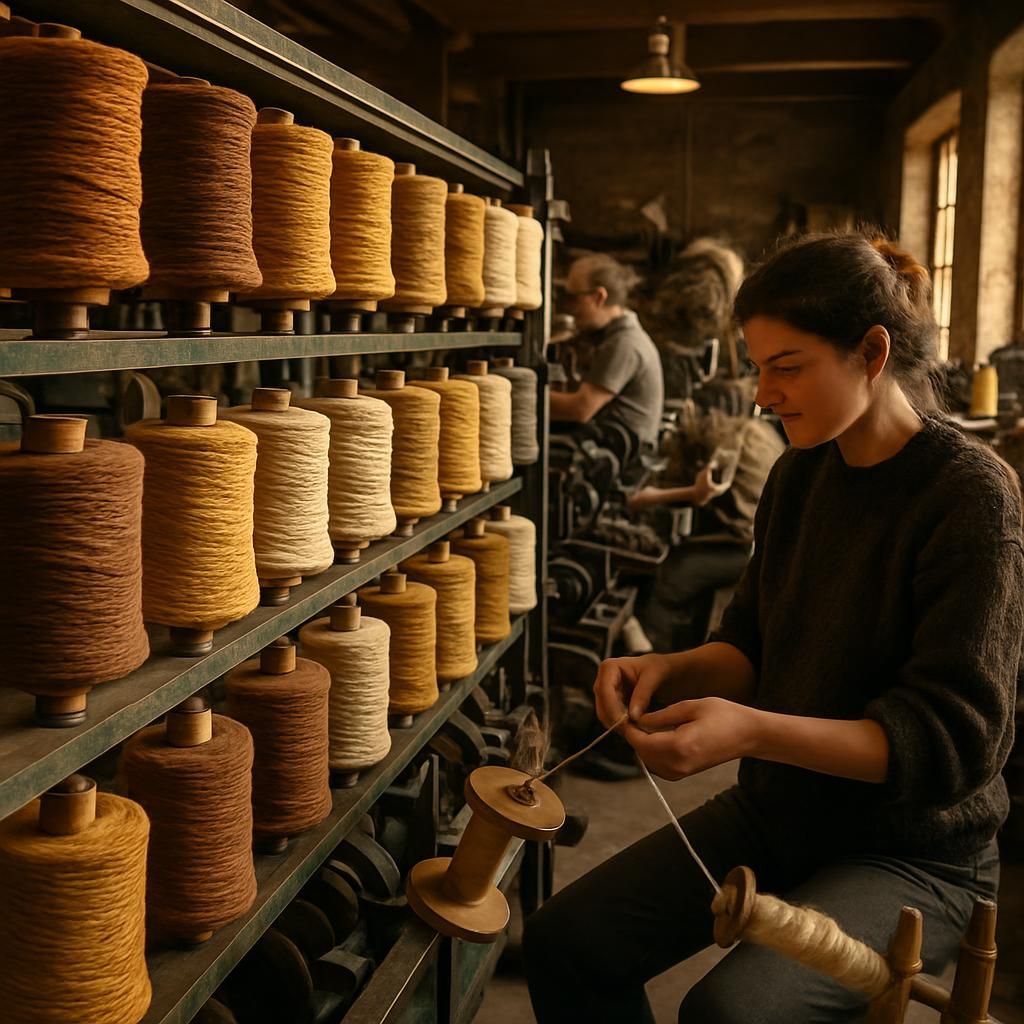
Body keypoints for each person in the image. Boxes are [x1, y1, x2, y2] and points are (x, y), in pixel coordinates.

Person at [524, 232, 1022, 1023]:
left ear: (871, 351)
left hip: (915, 854)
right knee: (567, 943)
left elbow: (950, 744)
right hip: (783, 814)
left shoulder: (969, 496)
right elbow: (752, 645)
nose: (762, 394)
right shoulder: (799, 474)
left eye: (786, 367)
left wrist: (749, 733)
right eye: (758, 367)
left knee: (731, 1012)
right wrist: (672, 670)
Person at [628, 411, 786, 652]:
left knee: (667, 581)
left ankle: (646, 652)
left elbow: (633, 500)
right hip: (745, 542)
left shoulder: (737, 451)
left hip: (743, 547)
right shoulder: (753, 438)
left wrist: (691, 493)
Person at [551, 253, 665, 449]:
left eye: (573, 298)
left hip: (616, 460)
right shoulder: (614, 337)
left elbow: (580, 408)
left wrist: (519, 393)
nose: (569, 307)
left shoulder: (625, 344)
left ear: (599, 297)